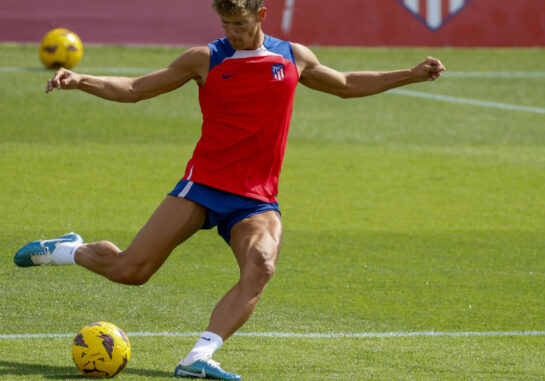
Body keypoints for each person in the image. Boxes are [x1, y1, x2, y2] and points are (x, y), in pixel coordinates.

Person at [14, 0, 446, 379]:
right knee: (132, 272)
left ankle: (199, 357)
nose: (231, 33)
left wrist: (410, 74)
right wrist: (80, 80)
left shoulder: (291, 56)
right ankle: (69, 249)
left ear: (261, 15)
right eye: (225, 24)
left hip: (256, 197)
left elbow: (347, 84)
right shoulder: (205, 58)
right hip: (202, 186)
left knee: (261, 264)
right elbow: (134, 89)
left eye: (239, 24)